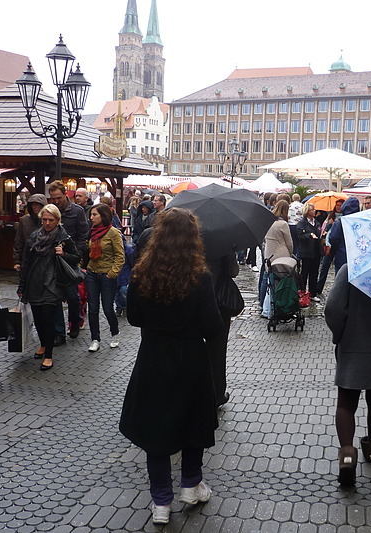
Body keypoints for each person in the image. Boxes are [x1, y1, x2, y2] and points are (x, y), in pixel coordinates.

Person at [119, 208, 223, 525]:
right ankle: (191, 484)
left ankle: (161, 501)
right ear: (193, 239)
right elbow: (213, 327)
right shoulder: (200, 278)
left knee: (156, 431)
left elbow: (134, 318)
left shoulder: (142, 274)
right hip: (190, 359)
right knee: (192, 424)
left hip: (153, 358)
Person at [324, 264, 371, 486]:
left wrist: (339, 335)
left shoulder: (351, 270)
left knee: (346, 404)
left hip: (353, 343)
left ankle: (347, 456)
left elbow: (333, 309)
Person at [17, 203, 80, 370]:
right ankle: (44, 344)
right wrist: (22, 286)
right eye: (44, 219)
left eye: (51, 220)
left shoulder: (63, 238)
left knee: (48, 318)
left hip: (53, 283)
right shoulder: (34, 236)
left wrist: (63, 254)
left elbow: (76, 257)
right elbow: (26, 262)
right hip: (35, 281)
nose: (47, 223)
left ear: (57, 220)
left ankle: (49, 355)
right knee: (38, 317)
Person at [47, 180, 88, 344]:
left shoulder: (77, 211)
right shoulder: (51, 211)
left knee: (72, 296)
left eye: (58, 198)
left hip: (70, 259)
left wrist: (75, 254)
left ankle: (75, 321)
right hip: (53, 259)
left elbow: (83, 234)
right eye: (53, 198)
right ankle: (59, 332)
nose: (56, 201)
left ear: (65, 194)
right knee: (55, 297)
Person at [84, 204, 125, 352]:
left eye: (95, 214)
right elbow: (85, 252)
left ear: (103, 216)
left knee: (108, 308)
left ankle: (115, 333)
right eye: (91, 215)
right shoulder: (92, 232)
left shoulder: (113, 233)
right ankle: (95, 339)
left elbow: (120, 256)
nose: (91, 217)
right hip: (91, 274)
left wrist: (112, 273)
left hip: (107, 276)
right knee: (93, 309)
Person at [206, 251, 240, 408]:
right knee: (218, 350)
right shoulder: (224, 242)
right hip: (219, 301)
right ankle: (217, 393)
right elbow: (233, 271)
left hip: (194, 298)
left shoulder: (187, 237)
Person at [261, 200, 293, 318]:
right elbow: (289, 242)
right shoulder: (283, 224)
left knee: (269, 281)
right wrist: (291, 254)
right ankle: (279, 307)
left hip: (269, 254)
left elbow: (264, 238)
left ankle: (266, 308)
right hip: (281, 254)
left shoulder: (268, 222)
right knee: (281, 283)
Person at [315, 198, 345, 297]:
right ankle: (319, 287)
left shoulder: (346, 218)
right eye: (337, 205)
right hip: (329, 244)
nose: (339, 207)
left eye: (341, 205)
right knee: (324, 266)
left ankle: (338, 289)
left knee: (339, 268)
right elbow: (325, 231)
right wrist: (329, 225)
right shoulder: (331, 217)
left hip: (340, 245)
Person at [13, 194, 48, 272]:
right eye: (32, 205)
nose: (34, 207)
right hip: (28, 257)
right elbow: (19, 241)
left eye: (36, 205)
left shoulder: (48, 219)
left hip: (44, 259)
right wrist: (17, 261)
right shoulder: (24, 220)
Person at [328, 196, 361, 272]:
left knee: (341, 278)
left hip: (341, 255)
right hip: (357, 257)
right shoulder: (361, 222)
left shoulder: (339, 223)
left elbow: (333, 238)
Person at [296, 203, 322, 302]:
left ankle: (312, 293)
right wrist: (309, 235)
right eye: (312, 209)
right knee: (304, 273)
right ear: (307, 211)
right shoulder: (302, 223)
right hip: (306, 252)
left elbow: (319, 232)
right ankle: (302, 292)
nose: (314, 211)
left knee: (314, 273)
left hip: (316, 251)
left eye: (314, 209)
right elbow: (300, 237)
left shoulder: (317, 223)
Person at [288, 193, 304, 257]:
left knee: (293, 241)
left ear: (293, 199)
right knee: (299, 242)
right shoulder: (302, 205)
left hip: (291, 225)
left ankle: (294, 254)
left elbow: (288, 216)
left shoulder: (290, 206)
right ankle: (299, 255)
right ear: (299, 198)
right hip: (300, 225)